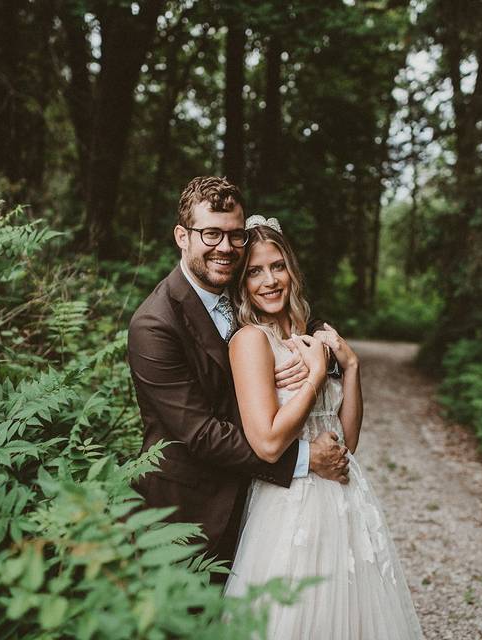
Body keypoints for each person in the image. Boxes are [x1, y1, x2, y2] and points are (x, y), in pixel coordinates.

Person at [127, 176, 350, 574]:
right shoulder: (154, 325)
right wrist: (302, 459)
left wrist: (328, 356)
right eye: (211, 234)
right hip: (190, 515)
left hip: (257, 504)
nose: (226, 248)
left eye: (235, 235)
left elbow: (303, 322)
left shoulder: (240, 284)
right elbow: (201, 433)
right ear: (182, 236)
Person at [223, 215, 425, 639]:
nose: (269, 280)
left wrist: (350, 367)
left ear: (292, 271)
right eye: (255, 271)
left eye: (277, 266)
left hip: (345, 499)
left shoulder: (310, 335)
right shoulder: (250, 341)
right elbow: (270, 440)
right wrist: (316, 375)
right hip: (290, 504)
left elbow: (348, 441)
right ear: (241, 284)